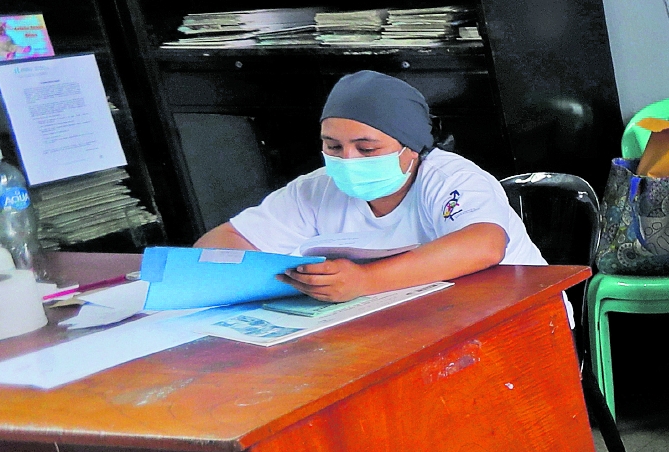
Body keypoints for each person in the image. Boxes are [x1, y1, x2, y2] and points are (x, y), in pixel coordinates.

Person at [196, 71, 545, 302]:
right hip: (403, 322)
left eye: (367, 149)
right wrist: (298, 279)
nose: (348, 160)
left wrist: (365, 281)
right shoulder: (315, 190)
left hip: (510, 313)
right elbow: (217, 246)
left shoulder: (450, 178)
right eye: (333, 147)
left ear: (412, 147)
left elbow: (483, 245)